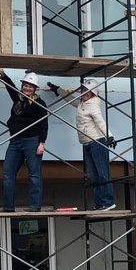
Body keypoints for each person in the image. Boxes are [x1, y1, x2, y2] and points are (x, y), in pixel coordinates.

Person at [47, 77, 116, 211]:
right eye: (83, 90)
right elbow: (69, 98)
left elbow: (100, 121)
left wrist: (110, 136)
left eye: (88, 91)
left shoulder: (93, 105)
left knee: (102, 173)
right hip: (87, 143)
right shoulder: (81, 103)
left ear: (93, 94)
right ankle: (100, 203)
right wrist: (57, 89)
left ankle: (108, 201)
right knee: (94, 175)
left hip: (97, 142)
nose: (85, 93)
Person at [0, 69, 49, 212]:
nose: (27, 88)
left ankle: (34, 205)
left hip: (32, 140)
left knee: (34, 174)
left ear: (35, 89)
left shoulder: (39, 103)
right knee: (8, 173)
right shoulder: (18, 99)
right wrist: (3, 74)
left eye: (30, 86)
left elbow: (44, 124)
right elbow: (10, 88)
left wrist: (42, 143)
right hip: (15, 141)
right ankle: (8, 207)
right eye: (25, 85)